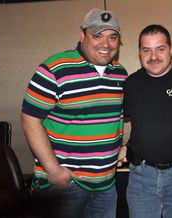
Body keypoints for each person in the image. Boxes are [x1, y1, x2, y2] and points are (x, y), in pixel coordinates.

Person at [21, 8, 127, 218]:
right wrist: (53, 170)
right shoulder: (55, 68)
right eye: (97, 35)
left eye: (112, 37)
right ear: (82, 34)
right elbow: (29, 119)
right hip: (67, 185)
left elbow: (111, 119)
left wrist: (119, 147)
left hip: (106, 185)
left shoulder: (120, 73)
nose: (105, 44)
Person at [123, 24, 172, 218]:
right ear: (139, 53)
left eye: (160, 49)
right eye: (147, 50)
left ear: (171, 50)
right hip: (141, 179)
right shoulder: (130, 84)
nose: (153, 56)